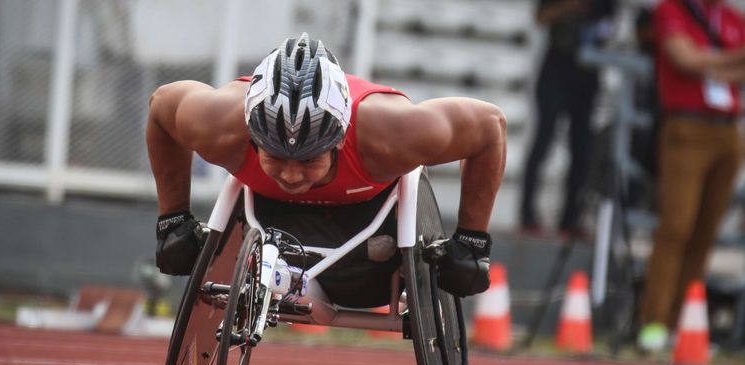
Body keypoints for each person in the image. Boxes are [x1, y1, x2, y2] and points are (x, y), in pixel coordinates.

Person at [147, 33, 507, 307]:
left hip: (372, 251)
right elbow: (162, 106)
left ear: (339, 138)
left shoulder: (391, 134)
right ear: (253, 139)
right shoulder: (219, 126)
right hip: (266, 223)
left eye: (308, 160)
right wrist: (173, 219)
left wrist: (472, 241)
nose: (291, 175)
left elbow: (489, 126)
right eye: (275, 157)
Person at [637, 0, 745, 351]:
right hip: (687, 126)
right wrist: (727, 62)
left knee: (705, 231)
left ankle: (685, 323)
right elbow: (683, 60)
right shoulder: (671, 10)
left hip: (728, 130)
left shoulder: (731, 16)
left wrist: (707, 64)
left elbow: (702, 62)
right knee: (676, 227)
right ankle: (654, 323)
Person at [519, 0, 615, 238]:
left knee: (582, 148)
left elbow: (609, 27)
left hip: (587, 75)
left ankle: (570, 219)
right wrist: (572, 6)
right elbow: (540, 17)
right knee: (543, 141)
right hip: (555, 71)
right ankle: (527, 216)